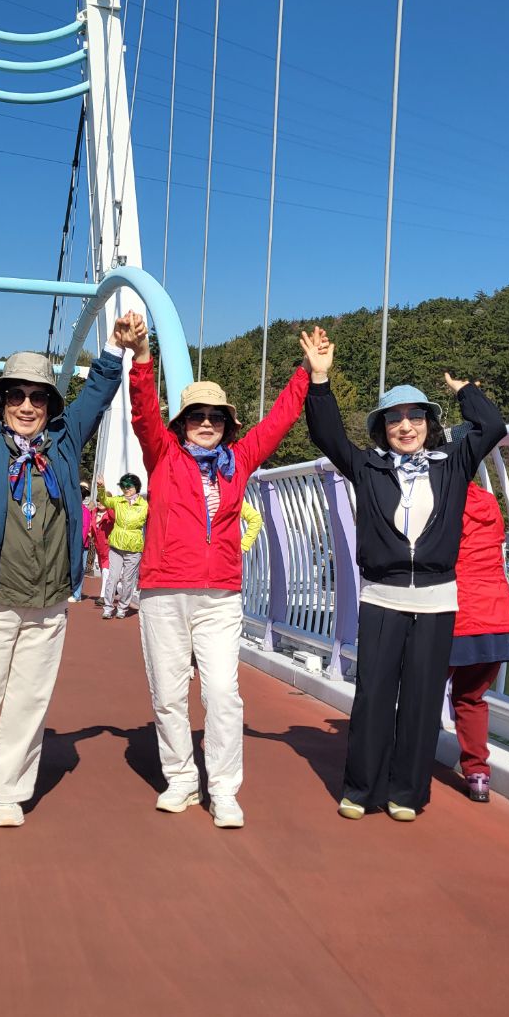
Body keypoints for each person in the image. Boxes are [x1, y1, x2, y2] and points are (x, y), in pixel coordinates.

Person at [0, 305, 141, 827]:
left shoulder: (63, 444)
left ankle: (8, 791)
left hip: (47, 602)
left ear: (50, 404)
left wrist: (116, 348)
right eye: (17, 395)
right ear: (2, 400)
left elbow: (96, 396)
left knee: (28, 701)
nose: (27, 405)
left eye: (38, 396)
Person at [123, 311, 316, 829]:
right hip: (164, 590)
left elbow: (277, 422)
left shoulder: (240, 460)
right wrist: (141, 356)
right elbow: (143, 412)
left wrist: (306, 372)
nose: (206, 422)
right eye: (196, 415)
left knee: (223, 694)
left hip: (220, 595)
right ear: (181, 423)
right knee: (168, 694)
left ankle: (224, 789)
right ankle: (181, 779)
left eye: (215, 416)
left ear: (227, 424)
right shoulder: (163, 455)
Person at [304, 335, 507, 822]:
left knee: (421, 699)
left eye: (416, 416)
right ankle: (360, 790)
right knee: (373, 695)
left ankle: (407, 794)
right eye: (394, 419)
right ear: (382, 429)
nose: (406, 426)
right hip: (382, 597)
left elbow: (493, 427)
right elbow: (327, 435)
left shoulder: (453, 463)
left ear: (430, 424)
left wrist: (465, 392)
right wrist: (320, 379)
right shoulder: (368, 467)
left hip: (437, 601)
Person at [448, 442, 509, 802]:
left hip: (456, 615)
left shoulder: (442, 503)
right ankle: (477, 774)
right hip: (497, 617)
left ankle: (402, 762)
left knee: (420, 691)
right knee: (471, 697)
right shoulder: (488, 502)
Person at [96, 473, 148, 619]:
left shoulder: (144, 505)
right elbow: (104, 500)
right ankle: (108, 607)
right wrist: (101, 487)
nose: (126, 489)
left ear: (136, 487)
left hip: (133, 548)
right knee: (112, 578)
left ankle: (123, 608)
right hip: (116, 547)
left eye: (129, 486)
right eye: (123, 486)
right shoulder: (118, 501)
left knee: (127, 580)